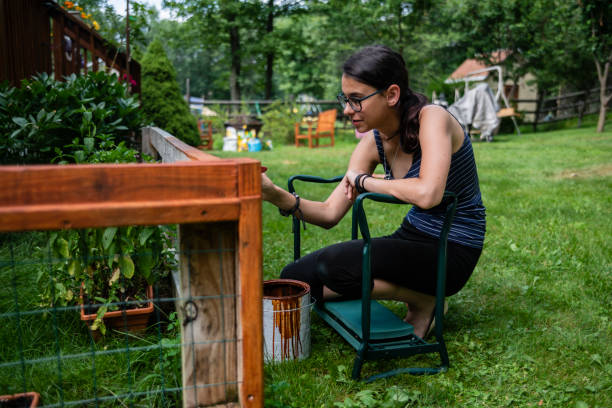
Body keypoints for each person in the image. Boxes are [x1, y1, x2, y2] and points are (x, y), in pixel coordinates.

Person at [261, 45, 486, 339]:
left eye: (356, 100)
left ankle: (426, 299)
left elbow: (429, 193)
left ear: (391, 95)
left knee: (334, 266)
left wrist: (365, 181)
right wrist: (275, 194)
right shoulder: (373, 142)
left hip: (453, 248)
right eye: (345, 99)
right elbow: (330, 213)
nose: (346, 110)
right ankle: (417, 293)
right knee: (295, 278)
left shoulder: (433, 119)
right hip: (412, 236)